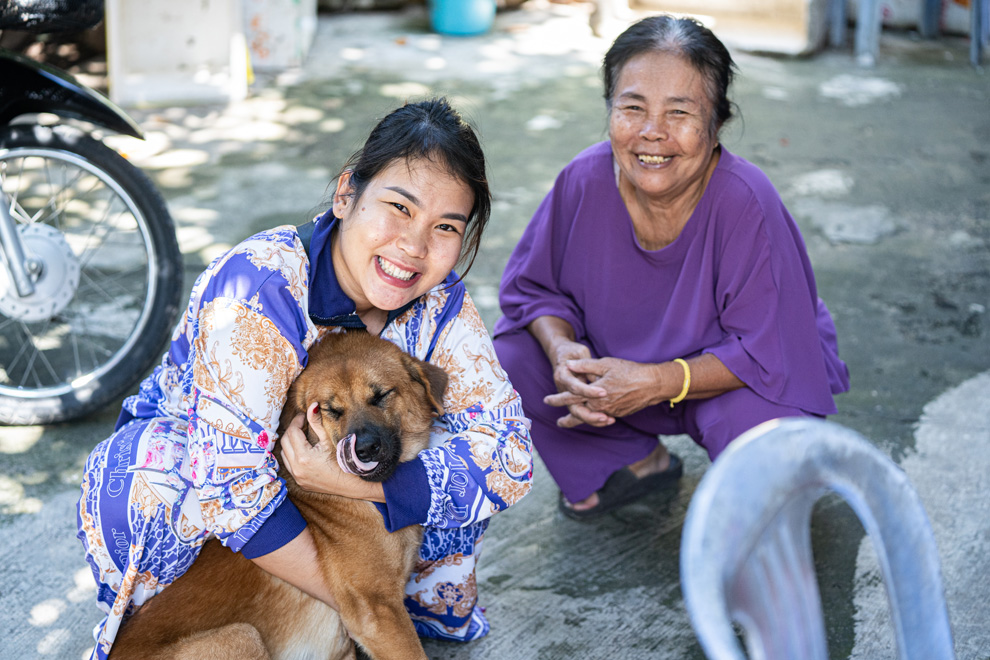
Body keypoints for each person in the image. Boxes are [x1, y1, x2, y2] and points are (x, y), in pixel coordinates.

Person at [77, 98, 533, 659]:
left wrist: (359, 489)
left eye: (445, 227)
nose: (413, 246)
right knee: (157, 482)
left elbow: (510, 456)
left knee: (443, 446)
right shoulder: (257, 287)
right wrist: (368, 603)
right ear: (347, 195)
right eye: (398, 207)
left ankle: (372, 611)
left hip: (329, 485)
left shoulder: (442, 307)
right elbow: (229, 489)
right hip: (205, 486)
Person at [492, 15, 849, 520]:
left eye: (679, 112)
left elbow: (770, 351)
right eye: (632, 107)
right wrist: (562, 349)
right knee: (514, 356)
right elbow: (535, 290)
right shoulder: (584, 179)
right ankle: (632, 464)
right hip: (618, 366)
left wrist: (656, 381)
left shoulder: (746, 201)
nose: (651, 133)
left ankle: (770, 494)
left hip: (726, 381)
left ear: (716, 123)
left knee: (761, 439)